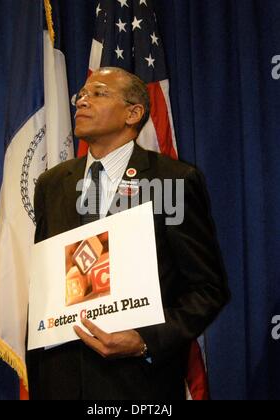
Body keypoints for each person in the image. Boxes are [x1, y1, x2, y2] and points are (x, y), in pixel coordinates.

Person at [26, 67, 230, 400]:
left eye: (98, 93)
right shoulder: (51, 184)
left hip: (136, 385)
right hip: (59, 379)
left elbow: (206, 289)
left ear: (133, 113)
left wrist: (145, 340)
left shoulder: (171, 181)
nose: (81, 101)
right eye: (82, 95)